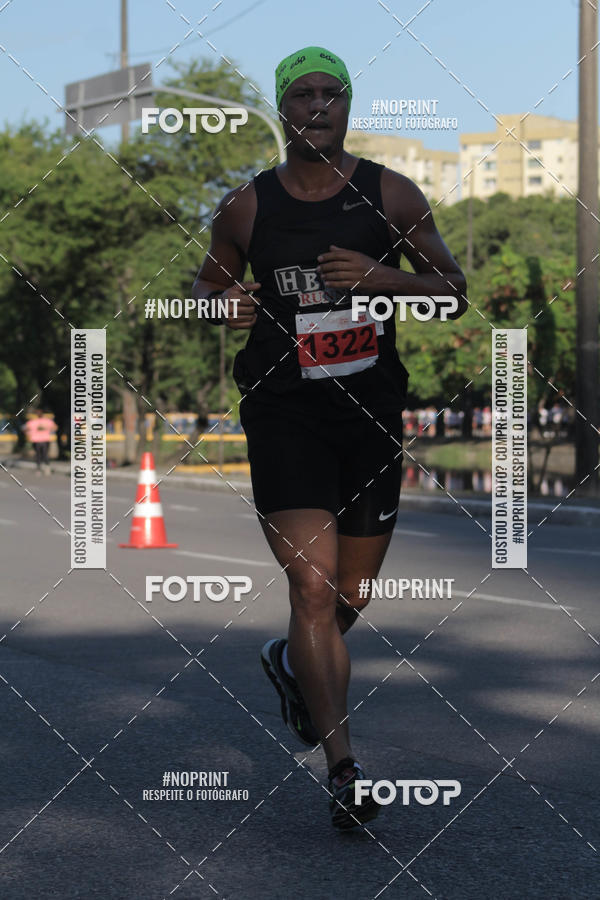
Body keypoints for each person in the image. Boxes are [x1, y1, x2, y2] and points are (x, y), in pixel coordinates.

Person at [193, 46, 467, 829]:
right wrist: (221, 306)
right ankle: (344, 769)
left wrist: (386, 279)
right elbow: (207, 284)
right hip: (284, 410)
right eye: (303, 93)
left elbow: (452, 291)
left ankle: (292, 664)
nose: (318, 104)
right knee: (311, 588)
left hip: (370, 412)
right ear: (283, 109)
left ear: (348, 107)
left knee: (350, 594)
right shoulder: (247, 205)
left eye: (332, 93)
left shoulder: (391, 194)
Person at [24, 410, 57, 475]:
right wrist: (49, 431)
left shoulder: (33, 422)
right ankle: (46, 468)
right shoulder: (47, 421)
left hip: (37, 440)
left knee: (38, 455)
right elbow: (55, 428)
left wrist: (29, 434)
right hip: (44, 440)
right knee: (44, 454)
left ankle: (40, 469)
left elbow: (26, 429)